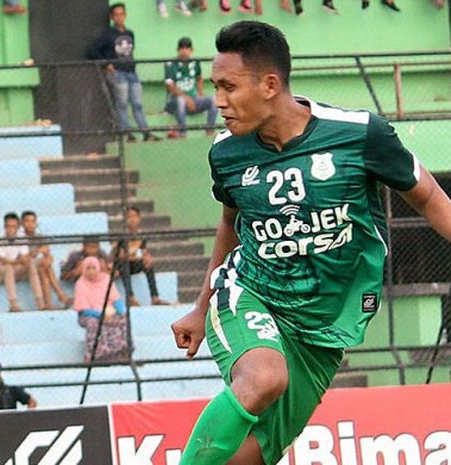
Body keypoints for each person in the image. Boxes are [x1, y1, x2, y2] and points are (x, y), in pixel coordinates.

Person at [171, 21, 451, 465]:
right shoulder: (226, 152)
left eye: (228, 86)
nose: (218, 101)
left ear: (269, 84)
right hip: (251, 294)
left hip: (323, 328)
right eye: (215, 87)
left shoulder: (359, 134)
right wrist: (203, 306)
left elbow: (431, 199)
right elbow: (230, 222)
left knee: (251, 455)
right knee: (263, 377)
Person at [86, 3, 161, 143]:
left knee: (137, 104)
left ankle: (146, 133)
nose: (119, 17)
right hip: (117, 73)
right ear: (112, 17)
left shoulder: (129, 33)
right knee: (122, 104)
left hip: (132, 73)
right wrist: (106, 63)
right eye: (116, 15)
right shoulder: (107, 34)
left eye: (122, 14)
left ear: (125, 15)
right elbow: (91, 51)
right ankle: (127, 134)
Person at [74, 257, 130, 363]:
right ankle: (96, 355)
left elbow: (115, 299)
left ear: (98, 268)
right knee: (93, 323)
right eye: (88, 268)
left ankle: (120, 353)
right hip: (89, 315)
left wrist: (121, 312)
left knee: (122, 320)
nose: (91, 271)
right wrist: (100, 314)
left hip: (109, 312)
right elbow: (83, 309)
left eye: (93, 268)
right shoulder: (80, 284)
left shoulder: (106, 280)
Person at [113, 207, 169, 306]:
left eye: (134, 216)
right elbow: (121, 256)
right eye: (129, 217)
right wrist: (136, 257)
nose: (132, 219)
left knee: (148, 265)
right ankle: (131, 298)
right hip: (122, 265)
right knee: (123, 265)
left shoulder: (141, 235)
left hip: (134, 263)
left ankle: (154, 297)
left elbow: (143, 250)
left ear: (139, 218)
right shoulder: (122, 236)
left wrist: (147, 258)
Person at [165, 37, 218, 139]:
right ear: (178, 50)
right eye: (182, 48)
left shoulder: (195, 63)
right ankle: (182, 133)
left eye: (187, 48)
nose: (184, 51)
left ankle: (210, 131)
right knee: (181, 101)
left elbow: (199, 78)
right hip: (173, 102)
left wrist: (200, 94)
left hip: (193, 99)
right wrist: (186, 98)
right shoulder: (171, 64)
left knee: (214, 100)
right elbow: (170, 86)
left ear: (191, 50)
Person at [0, 212, 44, 312]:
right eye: (8, 226)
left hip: (14, 268)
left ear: (18, 227)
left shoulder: (21, 238)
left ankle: (40, 302)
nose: (11, 229)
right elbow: (3, 261)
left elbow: (25, 258)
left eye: (13, 226)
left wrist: (15, 261)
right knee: (8, 268)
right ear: (4, 226)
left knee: (31, 263)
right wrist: (17, 261)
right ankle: (13, 304)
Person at [20, 210, 73, 309]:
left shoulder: (39, 237)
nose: (30, 224)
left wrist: (46, 257)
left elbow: (47, 253)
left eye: (33, 221)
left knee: (45, 268)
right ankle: (61, 295)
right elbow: (25, 257)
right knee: (44, 266)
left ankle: (49, 304)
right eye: (27, 221)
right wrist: (39, 252)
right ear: (22, 223)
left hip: (39, 267)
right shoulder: (20, 237)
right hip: (26, 269)